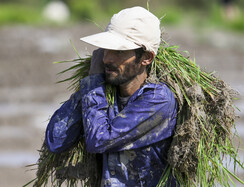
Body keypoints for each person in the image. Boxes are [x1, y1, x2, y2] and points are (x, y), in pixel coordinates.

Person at [45, 6, 178, 186]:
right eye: (106, 49)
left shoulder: (158, 100)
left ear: (146, 57)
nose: (107, 59)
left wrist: (93, 82)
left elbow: (99, 140)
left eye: (119, 51)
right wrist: (91, 85)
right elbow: (56, 141)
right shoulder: (103, 92)